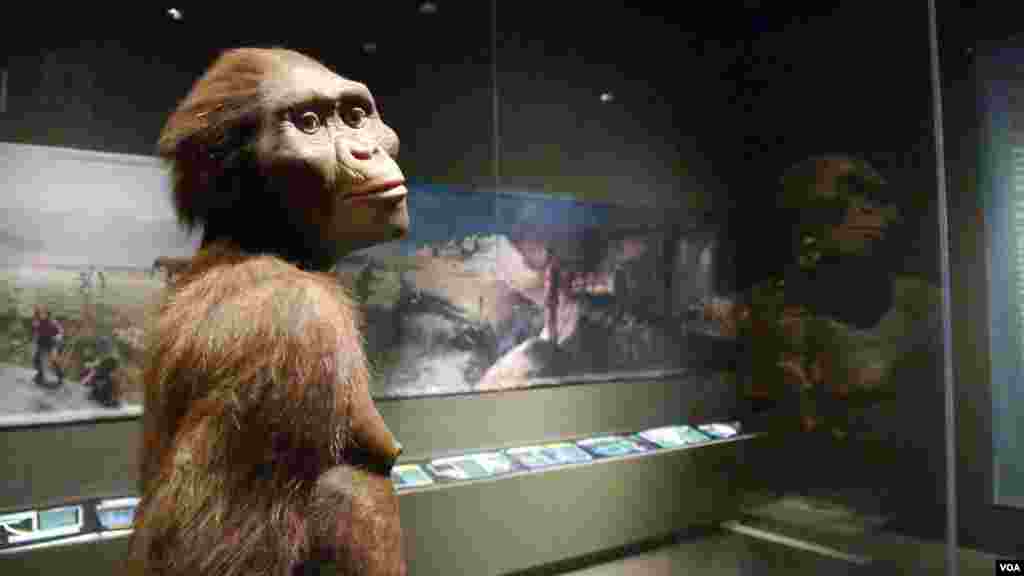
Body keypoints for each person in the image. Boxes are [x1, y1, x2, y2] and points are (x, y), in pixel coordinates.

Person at [31, 305, 65, 387]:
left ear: (47, 314)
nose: (42, 315)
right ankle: (40, 374)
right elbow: (36, 332)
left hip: (53, 343)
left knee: (54, 360)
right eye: (40, 313)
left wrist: (58, 337)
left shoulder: (53, 322)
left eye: (44, 313)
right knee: (36, 359)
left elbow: (60, 331)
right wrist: (35, 343)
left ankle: (60, 376)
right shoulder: (37, 322)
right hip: (42, 343)